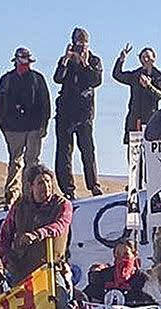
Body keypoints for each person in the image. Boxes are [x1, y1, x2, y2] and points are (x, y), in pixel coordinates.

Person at [0, 165, 74, 309]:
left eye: (49, 183)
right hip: (22, 270)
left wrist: (37, 234)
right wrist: (6, 260)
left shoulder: (62, 204)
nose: (45, 187)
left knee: (60, 305)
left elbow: (60, 225)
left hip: (51, 268)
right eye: (40, 183)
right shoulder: (19, 206)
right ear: (30, 186)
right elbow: (5, 234)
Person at [0, 47, 51, 207]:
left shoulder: (37, 78)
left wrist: (43, 125)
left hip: (34, 127)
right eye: (23, 58)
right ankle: (12, 195)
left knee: (32, 162)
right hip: (13, 128)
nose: (25, 61)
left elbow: (45, 103)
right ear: (16, 59)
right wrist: (3, 126)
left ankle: (30, 194)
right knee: (15, 161)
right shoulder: (7, 79)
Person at [53, 27, 104, 199]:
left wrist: (84, 63)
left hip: (85, 114)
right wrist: (66, 60)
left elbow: (96, 80)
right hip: (66, 113)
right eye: (77, 42)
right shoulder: (66, 59)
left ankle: (94, 185)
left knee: (88, 150)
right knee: (64, 152)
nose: (80, 46)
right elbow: (58, 78)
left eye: (83, 43)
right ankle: (68, 189)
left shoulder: (94, 60)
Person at [113, 44, 161, 144]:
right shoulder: (136, 75)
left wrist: (149, 86)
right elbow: (117, 75)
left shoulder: (159, 77)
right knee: (134, 152)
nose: (145, 59)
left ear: (154, 58)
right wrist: (121, 60)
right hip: (134, 118)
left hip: (150, 118)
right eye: (142, 57)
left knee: (149, 148)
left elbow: (160, 95)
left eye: (148, 57)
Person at [83, 239, 153, 306]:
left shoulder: (142, 279)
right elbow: (86, 297)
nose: (121, 258)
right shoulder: (103, 276)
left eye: (126, 254)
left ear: (134, 255)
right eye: (118, 254)